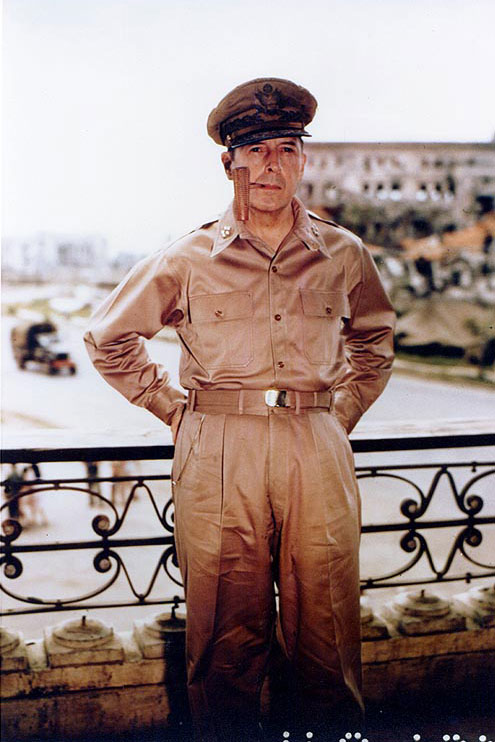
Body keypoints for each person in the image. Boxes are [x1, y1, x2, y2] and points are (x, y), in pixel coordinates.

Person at [84, 77, 395, 742]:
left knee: (327, 634)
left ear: (303, 161)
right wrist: (172, 410)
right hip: (218, 446)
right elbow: (108, 339)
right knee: (223, 639)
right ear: (227, 162)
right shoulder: (189, 255)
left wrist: (338, 417)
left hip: (316, 442)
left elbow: (373, 340)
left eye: (286, 149)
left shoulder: (343, 253)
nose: (270, 166)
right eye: (253, 150)